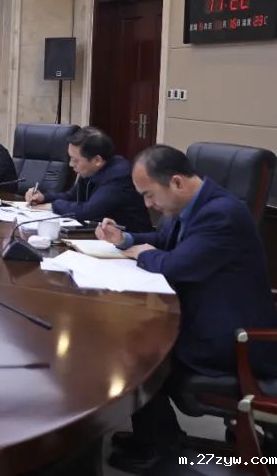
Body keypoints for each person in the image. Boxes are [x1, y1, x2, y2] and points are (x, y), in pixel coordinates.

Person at [96, 145, 277, 473]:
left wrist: (141, 254)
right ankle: (156, 437)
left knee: (136, 350)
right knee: (133, 336)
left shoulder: (222, 214)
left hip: (233, 341)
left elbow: (174, 265)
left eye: (149, 195)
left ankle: (159, 446)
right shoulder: (192, 205)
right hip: (206, 321)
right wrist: (125, 239)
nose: (147, 204)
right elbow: (162, 242)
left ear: (176, 182)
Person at [24, 126, 152, 232]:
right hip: (101, 235)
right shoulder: (92, 170)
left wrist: (53, 206)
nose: (71, 164)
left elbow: (88, 211)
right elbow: (71, 196)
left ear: (97, 160)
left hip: (132, 241)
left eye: (75, 160)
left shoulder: (119, 175)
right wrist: (44, 197)